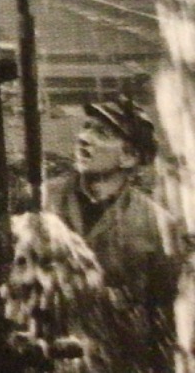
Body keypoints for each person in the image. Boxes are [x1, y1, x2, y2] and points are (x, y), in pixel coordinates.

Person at [45, 95, 183, 371]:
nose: (84, 138)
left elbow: (165, 315)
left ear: (130, 157)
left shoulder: (158, 225)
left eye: (102, 133)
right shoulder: (43, 201)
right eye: (86, 127)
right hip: (48, 359)